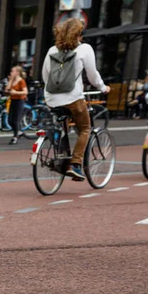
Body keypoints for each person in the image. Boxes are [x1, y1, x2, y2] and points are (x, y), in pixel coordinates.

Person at [42, 18, 110, 181]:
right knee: (85, 129)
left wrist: (54, 93)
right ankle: (75, 164)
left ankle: (61, 159)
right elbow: (92, 75)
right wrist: (103, 87)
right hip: (73, 97)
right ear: (79, 34)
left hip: (51, 97)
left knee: (62, 125)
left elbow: (46, 75)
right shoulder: (85, 49)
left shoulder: (52, 50)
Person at [4, 66, 28, 145]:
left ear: (17, 72)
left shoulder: (21, 81)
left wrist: (16, 93)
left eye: (12, 71)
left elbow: (25, 92)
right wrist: (10, 80)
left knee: (16, 119)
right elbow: (6, 90)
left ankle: (15, 137)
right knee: (10, 120)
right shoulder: (12, 80)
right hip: (13, 100)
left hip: (19, 101)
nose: (11, 72)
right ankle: (19, 132)